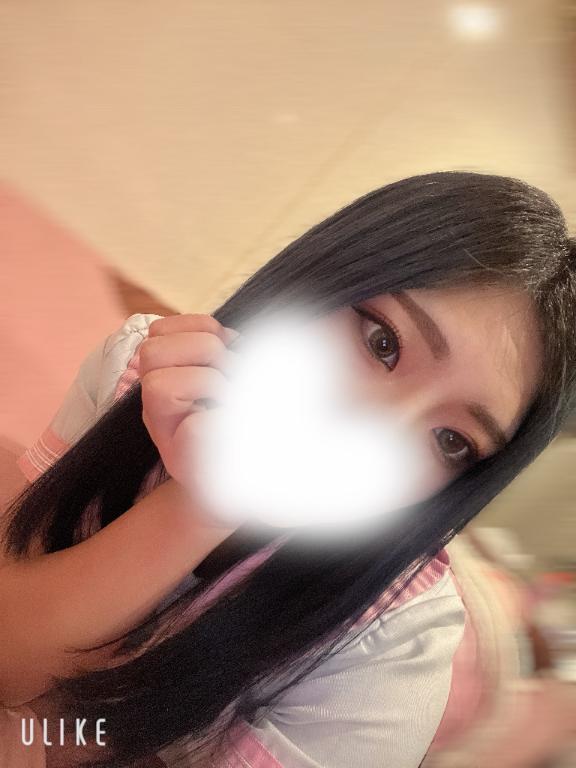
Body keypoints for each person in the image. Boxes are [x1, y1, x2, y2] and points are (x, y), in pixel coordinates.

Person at [1, 170, 576, 768]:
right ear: (318, 278)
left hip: (482, 663)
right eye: (382, 342)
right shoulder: (140, 369)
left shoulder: (392, 655)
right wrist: (203, 502)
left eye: (451, 442)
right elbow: (12, 659)